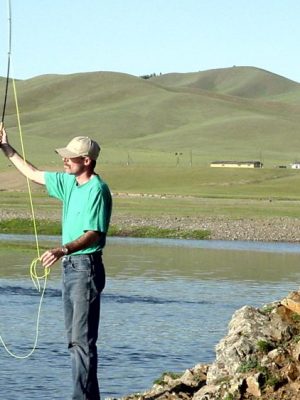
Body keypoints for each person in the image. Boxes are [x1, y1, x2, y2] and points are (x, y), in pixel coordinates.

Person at [0, 124, 112, 400]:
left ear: (86, 161)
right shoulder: (68, 182)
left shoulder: (97, 189)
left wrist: (62, 249)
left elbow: (93, 233)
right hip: (70, 268)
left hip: (86, 267)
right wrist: (6, 147)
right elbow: (34, 174)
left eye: (70, 157)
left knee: (82, 342)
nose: (65, 159)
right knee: (74, 342)